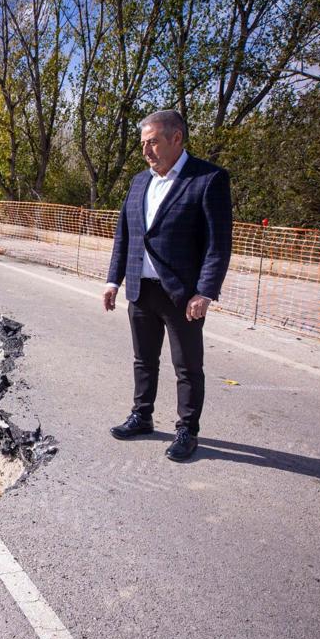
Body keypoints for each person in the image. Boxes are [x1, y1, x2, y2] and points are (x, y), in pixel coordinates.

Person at [103, 109, 233, 461]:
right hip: (141, 290)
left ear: (177, 139)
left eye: (154, 142)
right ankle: (141, 416)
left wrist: (205, 292)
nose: (147, 151)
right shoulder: (139, 182)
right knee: (143, 360)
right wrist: (113, 280)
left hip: (182, 295)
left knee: (187, 366)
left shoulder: (207, 179)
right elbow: (124, 236)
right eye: (143, 144)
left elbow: (217, 244)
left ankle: (187, 431)